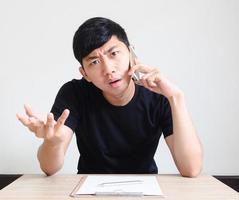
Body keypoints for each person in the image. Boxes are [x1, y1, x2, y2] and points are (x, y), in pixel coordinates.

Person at [17, 17, 203, 177]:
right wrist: (53, 143)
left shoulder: (158, 94)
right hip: (89, 190)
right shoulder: (74, 93)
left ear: (131, 53)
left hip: (145, 189)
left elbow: (191, 169)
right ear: (85, 73)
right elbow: (49, 168)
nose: (108, 70)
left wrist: (176, 97)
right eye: (95, 62)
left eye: (114, 53)